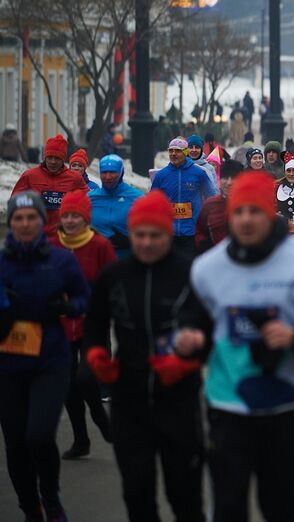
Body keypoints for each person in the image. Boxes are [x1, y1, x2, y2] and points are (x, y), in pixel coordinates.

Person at [174, 172, 294, 521]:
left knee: (282, 506)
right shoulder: (208, 268)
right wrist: (191, 341)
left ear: (269, 213)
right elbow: (187, 325)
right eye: (238, 211)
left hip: (288, 404)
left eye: (254, 211)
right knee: (228, 506)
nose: (245, 219)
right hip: (227, 403)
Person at [83, 191, 207, 521]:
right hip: (130, 401)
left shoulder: (192, 274)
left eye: (156, 235)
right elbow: (94, 322)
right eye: (140, 235)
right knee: (137, 494)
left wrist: (191, 354)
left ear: (168, 233)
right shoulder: (115, 275)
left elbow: (213, 331)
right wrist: (96, 355)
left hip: (179, 402)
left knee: (184, 495)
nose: (147, 243)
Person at [0, 191, 89, 521]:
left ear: (42, 221)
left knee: (38, 435)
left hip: (50, 360)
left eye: (31, 218)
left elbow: (83, 296)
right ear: (11, 223)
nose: (25, 224)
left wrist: (68, 308)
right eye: (18, 218)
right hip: (8, 364)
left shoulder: (61, 259)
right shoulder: (2, 263)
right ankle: (30, 507)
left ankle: (51, 498)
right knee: (15, 442)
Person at [47, 191, 114, 460]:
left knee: (85, 378)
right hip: (59, 325)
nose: (71, 221)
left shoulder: (100, 246)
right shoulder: (51, 244)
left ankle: (100, 416)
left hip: (91, 323)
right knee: (67, 384)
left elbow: (112, 282)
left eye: (76, 216)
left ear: (86, 218)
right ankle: (81, 439)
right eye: (66, 215)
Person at [150, 137, 218, 256]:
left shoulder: (199, 173)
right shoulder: (161, 175)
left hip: (193, 231)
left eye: (177, 151)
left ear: (186, 152)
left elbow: (211, 197)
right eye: (171, 151)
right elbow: (152, 203)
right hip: (169, 233)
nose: (173, 154)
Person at [12, 134, 88, 236]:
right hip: (35, 236)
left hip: (64, 237)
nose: (53, 162)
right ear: (45, 157)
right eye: (50, 157)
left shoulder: (75, 178)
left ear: (63, 159)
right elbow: (14, 203)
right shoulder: (29, 176)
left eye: (57, 158)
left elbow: (88, 203)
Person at [89, 154, 144, 258]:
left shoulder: (136, 197)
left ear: (121, 173)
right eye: (104, 172)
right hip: (97, 257)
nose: (108, 177)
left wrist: (131, 240)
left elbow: (150, 228)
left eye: (113, 172)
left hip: (126, 258)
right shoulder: (90, 198)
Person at [195, 159, 243, 253]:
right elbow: (199, 231)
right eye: (225, 177)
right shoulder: (210, 204)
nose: (229, 183)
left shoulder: (250, 205)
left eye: (233, 178)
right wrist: (204, 246)